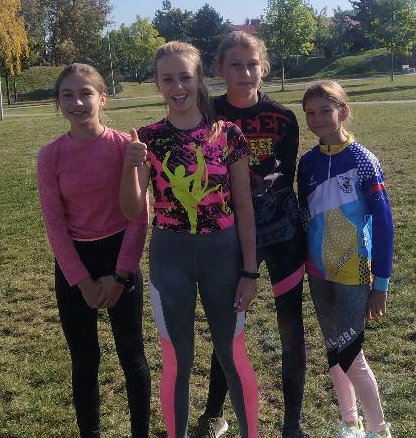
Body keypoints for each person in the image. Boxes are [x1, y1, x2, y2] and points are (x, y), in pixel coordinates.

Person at [119, 41, 260, 438]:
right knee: (177, 362)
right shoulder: (148, 139)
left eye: (185, 77)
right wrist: (131, 166)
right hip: (170, 258)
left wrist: (250, 271)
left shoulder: (228, 134)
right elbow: (130, 209)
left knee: (233, 357)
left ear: (199, 79)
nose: (177, 87)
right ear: (157, 83)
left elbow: (244, 205)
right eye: (168, 79)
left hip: (223, 256)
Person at [194, 32, 308, 438]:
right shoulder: (207, 116)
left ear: (264, 68)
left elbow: (285, 179)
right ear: (219, 69)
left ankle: (292, 423)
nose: (245, 73)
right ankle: (214, 414)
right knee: (228, 326)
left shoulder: (283, 118)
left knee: (291, 328)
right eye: (235, 65)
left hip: (282, 236)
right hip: (229, 237)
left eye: (252, 64)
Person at [36, 63, 152, 438]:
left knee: (132, 356)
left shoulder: (125, 148)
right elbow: (55, 225)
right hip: (76, 264)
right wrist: (83, 282)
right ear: (58, 102)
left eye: (85, 93)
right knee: (84, 360)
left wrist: (120, 276)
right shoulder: (50, 156)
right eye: (67, 95)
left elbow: (138, 218)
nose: (77, 102)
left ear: (103, 98)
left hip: (120, 257)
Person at [296, 80, 395, 438]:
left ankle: (379, 429)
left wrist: (381, 284)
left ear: (344, 112)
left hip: (354, 271)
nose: (318, 119)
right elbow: (303, 216)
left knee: (351, 352)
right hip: (318, 271)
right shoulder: (307, 163)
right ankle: (350, 422)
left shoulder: (364, 161)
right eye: (310, 113)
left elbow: (384, 223)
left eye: (326, 110)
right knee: (334, 347)